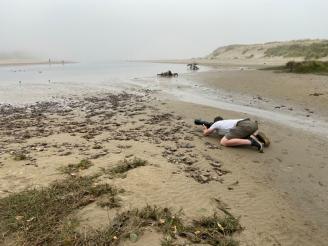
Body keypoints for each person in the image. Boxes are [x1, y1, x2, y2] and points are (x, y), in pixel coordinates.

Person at [200, 116, 266, 153]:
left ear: (215, 122)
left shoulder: (217, 123)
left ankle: (252, 142)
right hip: (253, 124)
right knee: (239, 133)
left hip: (244, 126)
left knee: (223, 142)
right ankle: (254, 135)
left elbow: (206, 134)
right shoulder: (227, 122)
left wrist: (205, 128)